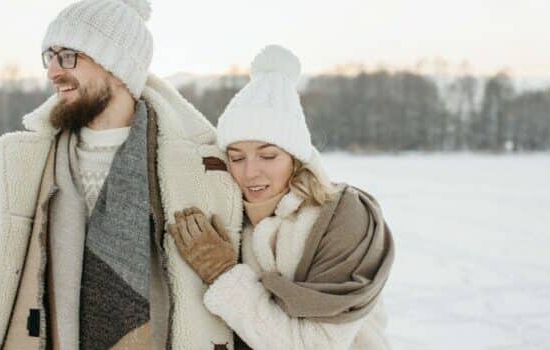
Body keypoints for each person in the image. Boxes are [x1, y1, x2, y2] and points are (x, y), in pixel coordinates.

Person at [0, 1, 246, 349]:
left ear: (117, 63)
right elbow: (2, 257)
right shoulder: (35, 158)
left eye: (68, 55)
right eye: (48, 57)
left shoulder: (200, 164)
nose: (52, 71)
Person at [168, 45, 395, 349]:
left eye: (268, 155)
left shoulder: (344, 217)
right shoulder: (231, 214)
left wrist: (222, 273)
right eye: (237, 158)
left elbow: (316, 345)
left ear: (296, 158)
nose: (251, 173)